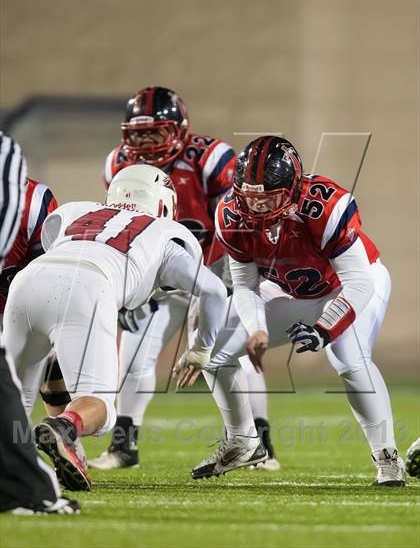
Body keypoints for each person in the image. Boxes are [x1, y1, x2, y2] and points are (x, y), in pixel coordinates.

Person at [175, 135, 406, 487]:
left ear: (293, 188)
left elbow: (359, 283)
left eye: (268, 197)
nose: (257, 206)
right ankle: (243, 441)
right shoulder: (231, 213)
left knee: (347, 357)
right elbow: (246, 285)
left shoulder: (325, 207)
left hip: (350, 284)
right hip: (291, 290)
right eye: (250, 196)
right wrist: (256, 329)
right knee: (212, 353)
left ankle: (387, 457)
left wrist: (324, 329)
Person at [2, 164, 227, 491]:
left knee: (11, 399)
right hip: (89, 287)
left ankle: (19, 475)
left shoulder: (75, 210)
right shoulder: (164, 232)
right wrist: (202, 349)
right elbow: (212, 290)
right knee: (102, 410)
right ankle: (65, 427)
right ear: (162, 202)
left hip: (28, 281)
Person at [89, 86, 279, 470]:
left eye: (153, 133)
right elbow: (122, 226)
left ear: (178, 129)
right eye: (136, 134)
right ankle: (124, 446)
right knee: (133, 354)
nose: (142, 144)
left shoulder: (210, 159)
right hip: (155, 273)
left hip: (210, 268)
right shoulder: (117, 163)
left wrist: (231, 278)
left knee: (228, 354)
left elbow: (237, 221)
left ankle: (261, 444)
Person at [0, 131, 79, 514]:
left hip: (15, 309)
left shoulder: (34, 203)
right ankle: (26, 481)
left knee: (26, 388)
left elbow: (46, 267)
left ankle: (57, 450)